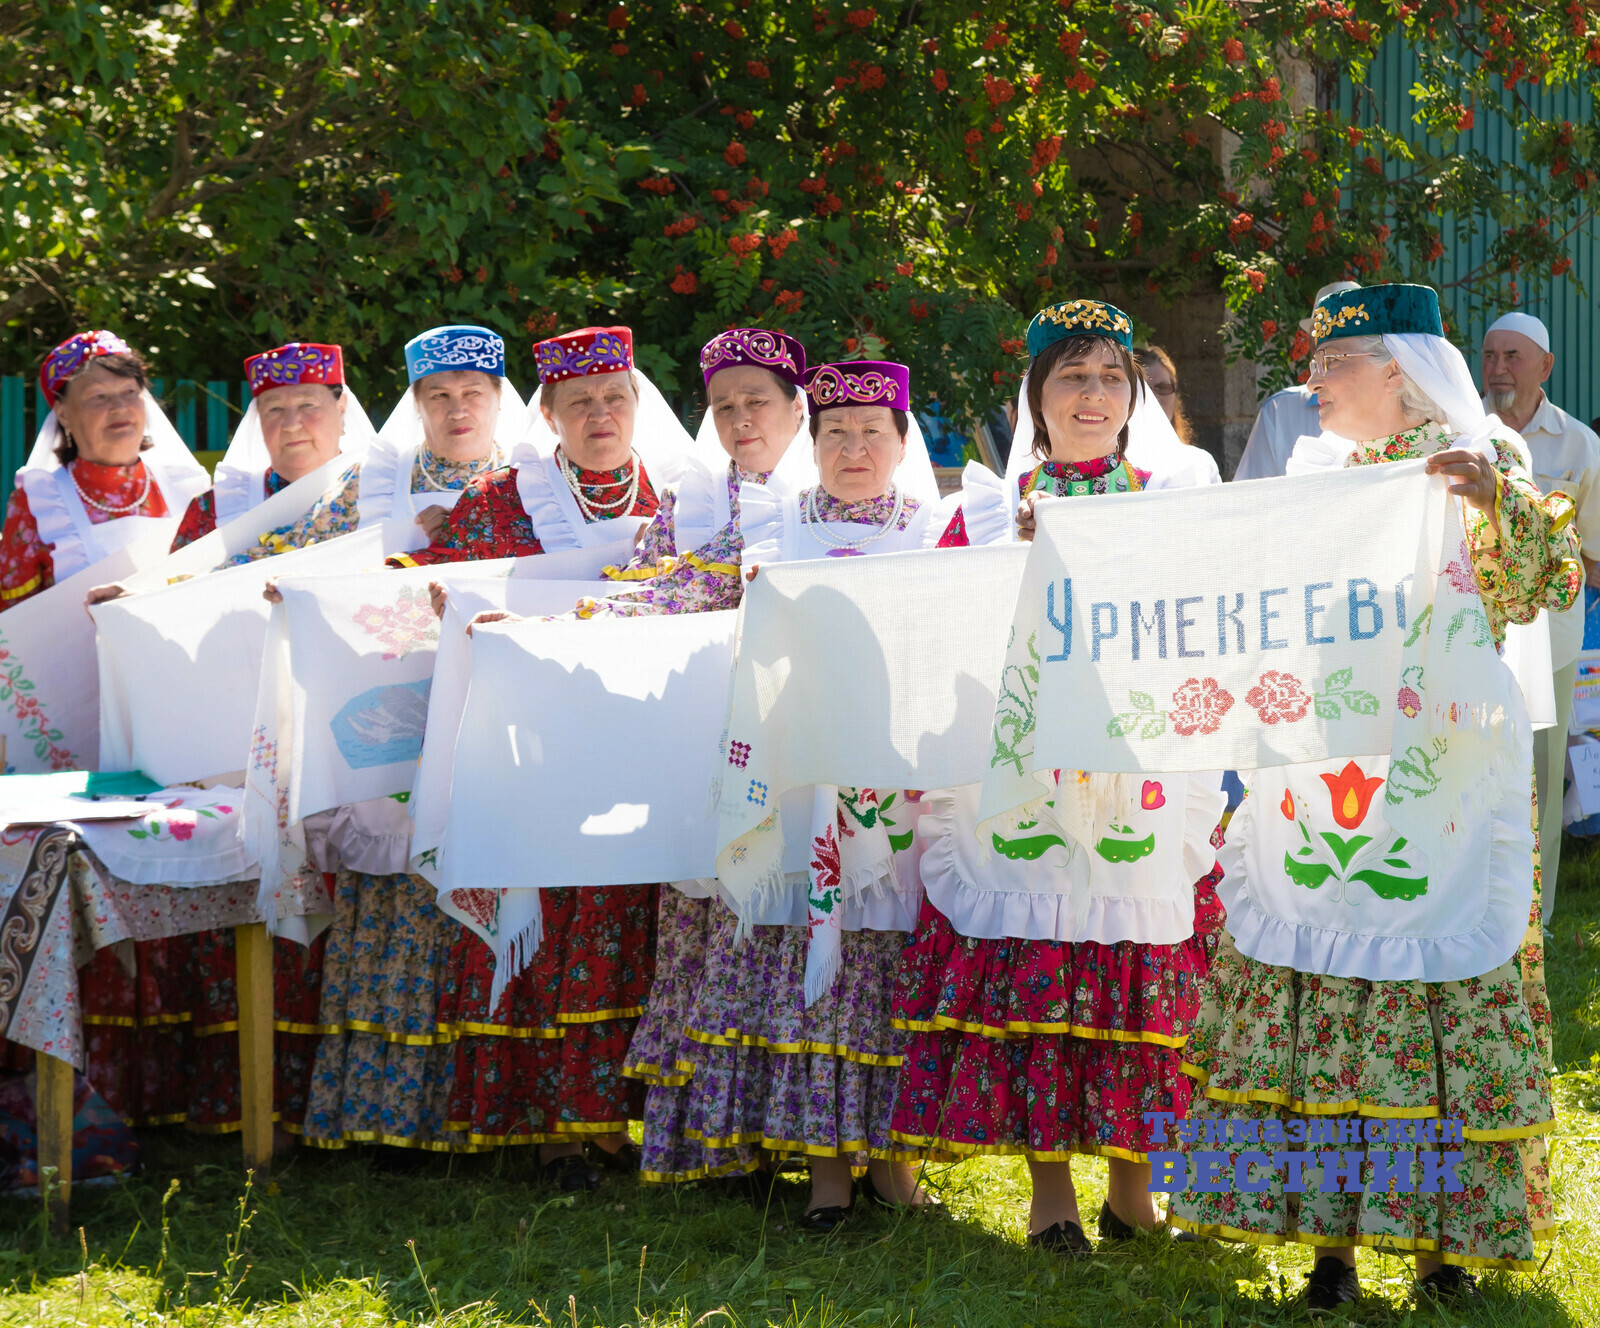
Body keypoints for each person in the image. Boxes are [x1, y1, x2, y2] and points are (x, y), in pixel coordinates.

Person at [1168, 284, 1579, 1307]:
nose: (1311, 381)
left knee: (1430, 982)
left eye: (1331, 363)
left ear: (1394, 370)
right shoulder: (1318, 482)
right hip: (1323, 770)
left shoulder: (1475, 471)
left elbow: (1546, 583)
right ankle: (1329, 1243)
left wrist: (1493, 499)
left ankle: (1441, 1243)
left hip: (1435, 780)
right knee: (1320, 974)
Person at [892, 300, 1227, 1255]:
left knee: (1135, 962)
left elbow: (1202, 623)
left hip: (1137, 770)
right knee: (1041, 964)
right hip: (1028, 771)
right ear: (1036, 397)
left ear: (1134, 397)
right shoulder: (983, 510)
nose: (1094, 394)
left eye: (1111, 377)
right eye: (1072, 377)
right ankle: (1052, 1195)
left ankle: (1132, 1186)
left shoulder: (1173, 500)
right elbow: (939, 633)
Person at [676, 358, 1012, 1228]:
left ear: (904, 443)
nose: (852, 447)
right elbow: (669, 595)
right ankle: (826, 1168)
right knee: (805, 969)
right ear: (812, 444)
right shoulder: (771, 531)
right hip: (796, 783)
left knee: (887, 965)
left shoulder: (942, 535)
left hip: (899, 791)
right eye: (834, 433)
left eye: (872, 432)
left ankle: (893, 1161)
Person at [418, 325, 698, 1187]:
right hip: (530, 751)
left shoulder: (681, 497)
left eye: (615, 397)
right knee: (542, 914)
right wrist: (434, 592)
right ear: (546, 413)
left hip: (637, 751)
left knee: (626, 920)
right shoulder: (498, 503)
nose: (601, 414)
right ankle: (546, 1124)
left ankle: (617, 1124)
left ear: (638, 404)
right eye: (580, 401)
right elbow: (433, 590)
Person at [294, 325, 533, 1158]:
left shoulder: (531, 487)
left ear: (500, 399)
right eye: (439, 395)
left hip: (486, 715)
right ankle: (382, 1114)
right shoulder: (370, 486)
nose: (456, 407)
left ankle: (473, 1112)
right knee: (396, 891)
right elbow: (303, 566)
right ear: (417, 403)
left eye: (473, 392)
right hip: (388, 720)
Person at [1481, 310, 1600, 924]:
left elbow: (1595, 556)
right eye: (1490, 355)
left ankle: (1537, 922)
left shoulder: (1580, 444)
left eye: (1513, 356)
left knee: (1540, 790)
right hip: (1468, 641)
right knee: (1468, 780)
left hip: (1547, 644)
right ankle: (1471, 915)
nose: (1498, 368)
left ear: (1546, 367)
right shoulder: (1457, 431)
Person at [0, 331, 208, 607]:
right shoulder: (39, 504)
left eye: (129, 392)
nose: (119, 407)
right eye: (99, 396)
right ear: (63, 413)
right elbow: (16, 625)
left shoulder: (188, 490)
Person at [168, 342, 376, 550]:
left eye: (307, 405)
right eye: (275, 409)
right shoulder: (215, 509)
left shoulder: (379, 494)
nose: (292, 425)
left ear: (341, 409)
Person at [1233, 280, 1360, 481]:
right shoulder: (1278, 410)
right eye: (1326, 357)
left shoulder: (1399, 412)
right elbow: (1251, 495)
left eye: (1336, 359)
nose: (1314, 383)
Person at [1134, 345, 1195, 445]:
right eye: (1144, 390)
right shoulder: (1111, 459)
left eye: (1163, 388)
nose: (1154, 398)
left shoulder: (1198, 459)